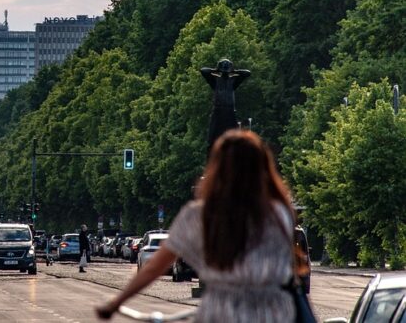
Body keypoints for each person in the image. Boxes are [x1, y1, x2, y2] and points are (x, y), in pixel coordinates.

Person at [96, 130, 298, 322]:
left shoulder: (199, 215)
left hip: (221, 313)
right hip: (275, 313)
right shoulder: (281, 213)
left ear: (217, 168)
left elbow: (155, 267)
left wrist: (115, 303)